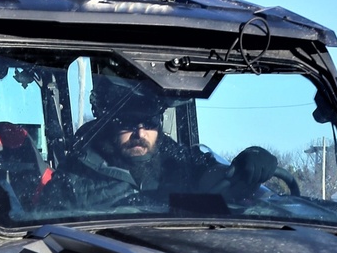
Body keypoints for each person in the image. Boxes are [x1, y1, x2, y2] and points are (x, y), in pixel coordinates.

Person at [39, 80, 277, 216]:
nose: (140, 134)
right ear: (110, 127)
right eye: (129, 124)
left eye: (149, 124)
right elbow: (50, 231)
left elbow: (211, 173)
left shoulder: (174, 158)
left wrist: (248, 163)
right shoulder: (77, 173)